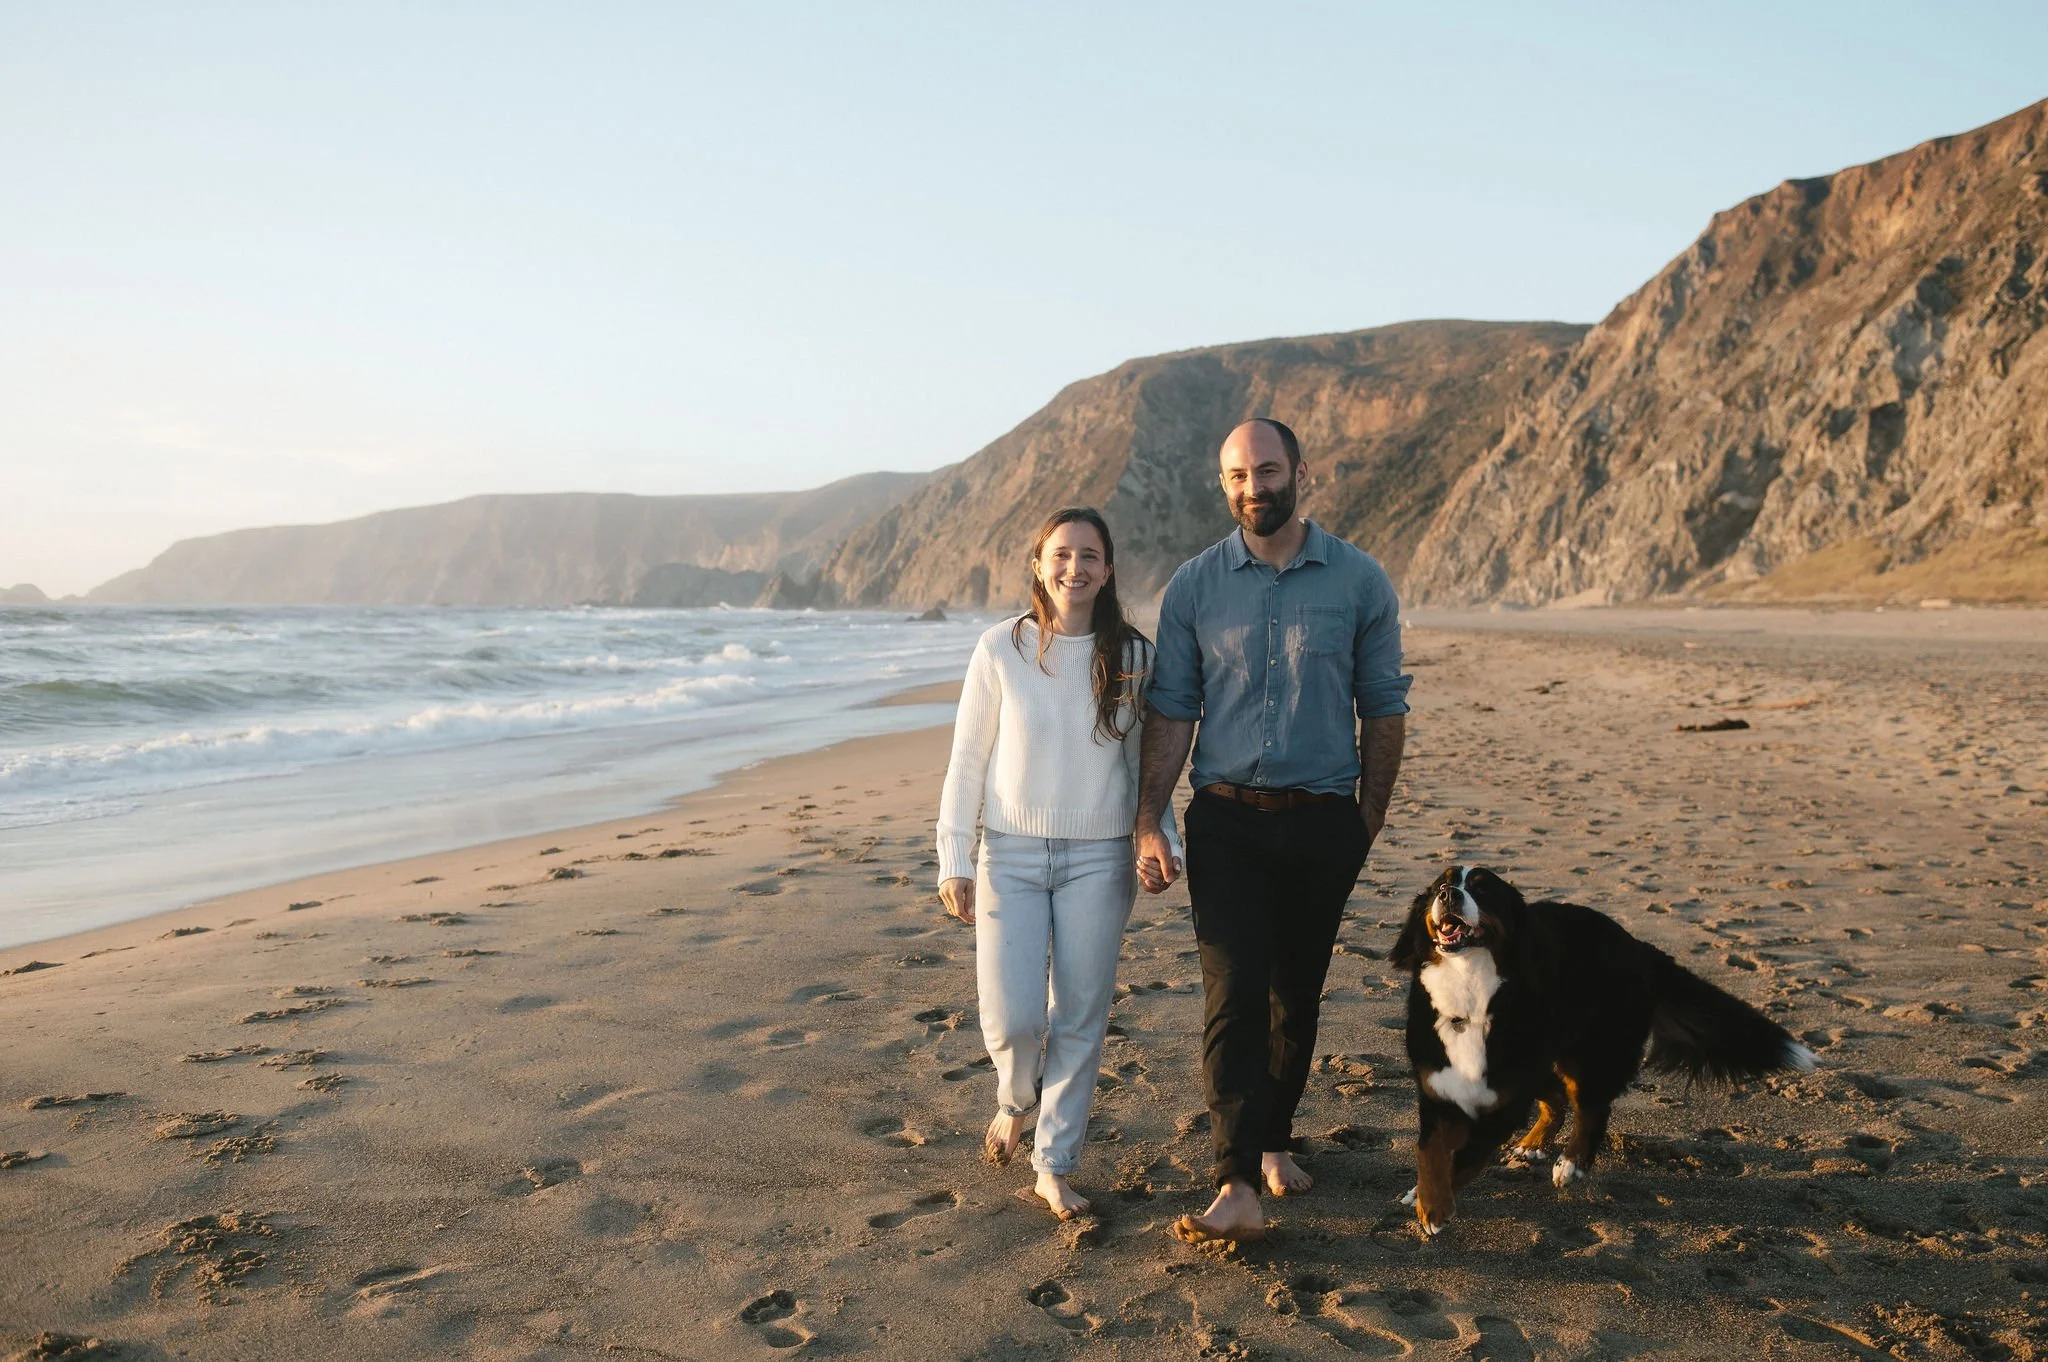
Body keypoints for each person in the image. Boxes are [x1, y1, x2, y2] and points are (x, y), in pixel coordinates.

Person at [1133, 418, 1411, 1243]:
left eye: (1266, 470)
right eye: (1236, 476)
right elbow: (1174, 709)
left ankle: (1276, 1141)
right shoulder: (1193, 586)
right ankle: (1234, 1179)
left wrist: (1365, 821)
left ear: (1299, 473)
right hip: (1224, 820)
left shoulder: (1359, 580)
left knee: (1298, 992)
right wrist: (1150, 818)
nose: (1253, 487)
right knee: (1233, 991)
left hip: (1325, 820)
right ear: (1224, 486)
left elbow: (1383, 707)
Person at [935, 507, 1179, 1221]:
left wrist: (1160, 839)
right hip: (1008, 853)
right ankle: (1015, 1097)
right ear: (1040, 565)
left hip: (1099, 859)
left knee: (1079, 1014)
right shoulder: (999, 649)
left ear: (1108, 571)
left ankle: (1055, 1163)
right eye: (1062, 555)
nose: (1075, 568)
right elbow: (966, 761)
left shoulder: (1134, 656)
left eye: (1090, 557)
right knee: (1011, 1019)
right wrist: (955, 857)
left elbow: (1149, 770)